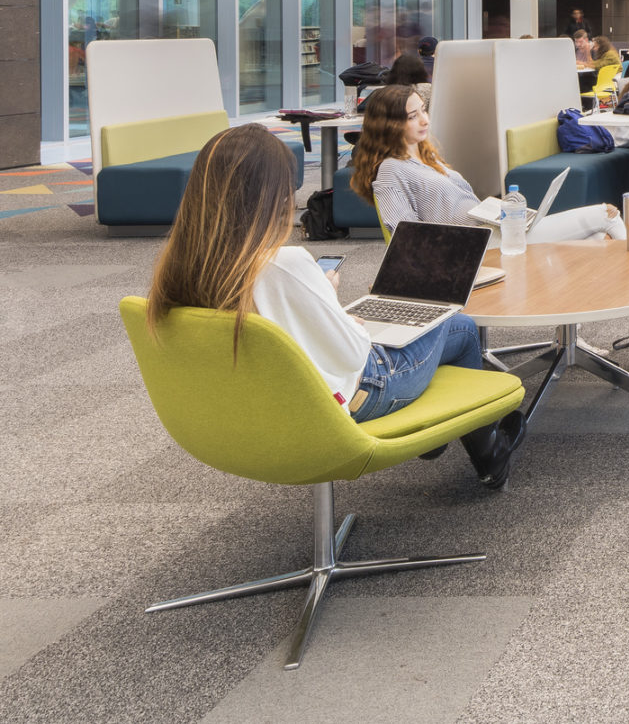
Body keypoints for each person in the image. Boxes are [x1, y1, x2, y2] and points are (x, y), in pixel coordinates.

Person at [147, 125, 528, 488]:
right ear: (267, 197)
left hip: (256, 404)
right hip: (356, 395)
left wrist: (324, 308)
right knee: (456, 325)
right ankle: (486, 451)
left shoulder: (184, 265)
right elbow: (352, 355)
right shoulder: (286, 264)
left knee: (420, 327)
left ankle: (440, 440)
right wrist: (333, 305)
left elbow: (270, 331)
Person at [351, 85, 626, 242]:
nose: (424, 119)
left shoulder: (426, 156)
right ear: (389, 124)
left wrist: (498, 212)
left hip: (494, 230)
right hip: (477, 246)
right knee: (606, 214)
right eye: (413, 116)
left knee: (596, 241)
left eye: (423, 110)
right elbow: (404, 238)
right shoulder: (391, 170)